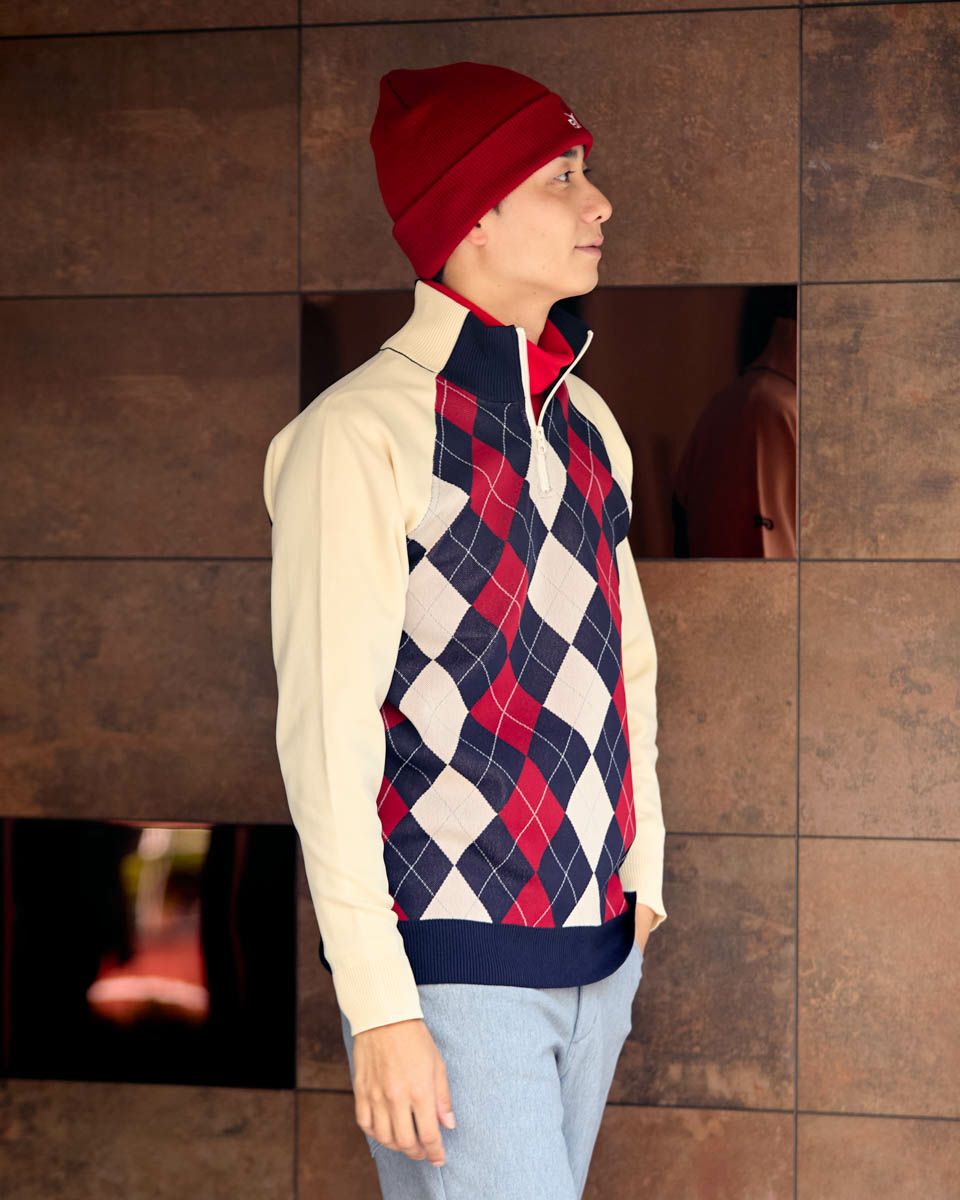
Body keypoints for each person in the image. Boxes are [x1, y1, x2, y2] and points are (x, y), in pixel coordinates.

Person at [262, 60, 668, 1199]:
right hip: (454, 971)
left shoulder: (588, 421)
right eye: (562, 178)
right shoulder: (359, 434)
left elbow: (625, 666)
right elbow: (325, 737)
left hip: (601, 957)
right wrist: (381, 1007)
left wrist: (643, 882)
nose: (598, 205)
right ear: (474, 214)